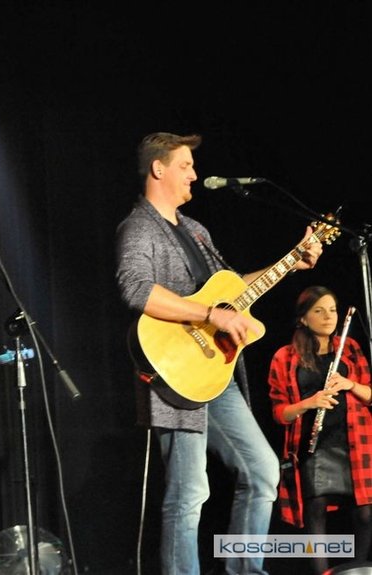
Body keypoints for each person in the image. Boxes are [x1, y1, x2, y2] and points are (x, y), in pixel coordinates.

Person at [114, 132, 323, 575]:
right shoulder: (139, 226)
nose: (194, 174)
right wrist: (210, 313)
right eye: (185, 165)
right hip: (174, 374)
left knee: (263, 471)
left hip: (214, 373)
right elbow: (136, 289)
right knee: (190, 492)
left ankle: (245, 570)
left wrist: (292, 262)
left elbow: (234, 290)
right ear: (158, 169)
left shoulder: (196, 231)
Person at [268, 286, 372, 574]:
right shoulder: (284, 357)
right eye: (319, 310)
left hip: (356, 442)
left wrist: (350, 384)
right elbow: (279, 413)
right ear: (303, 318)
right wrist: (309, 403)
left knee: (366, 513)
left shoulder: (350, 348)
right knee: (316, 510)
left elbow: (370, 394)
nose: (329, 316)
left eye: (333, 310)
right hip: (315, 446)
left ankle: (357, 571)